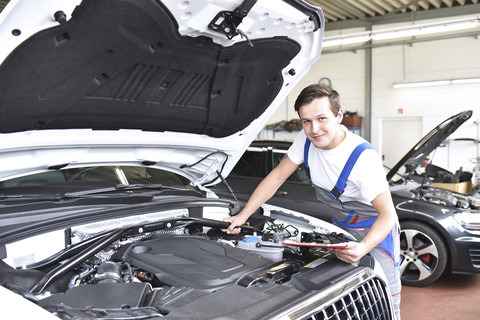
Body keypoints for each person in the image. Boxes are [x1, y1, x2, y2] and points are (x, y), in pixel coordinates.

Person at [224, 84, 401, 319]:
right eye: (306, 121)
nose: (314, 129)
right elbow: (277, 177)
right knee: (345, 296)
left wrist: (364, 247)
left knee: (383, 295)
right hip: (343, 228)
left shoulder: (362, 158)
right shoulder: (305, 140)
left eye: (321, 119)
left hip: (377, 232)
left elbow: (387, 214)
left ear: (339, 116)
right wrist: (243, 215)